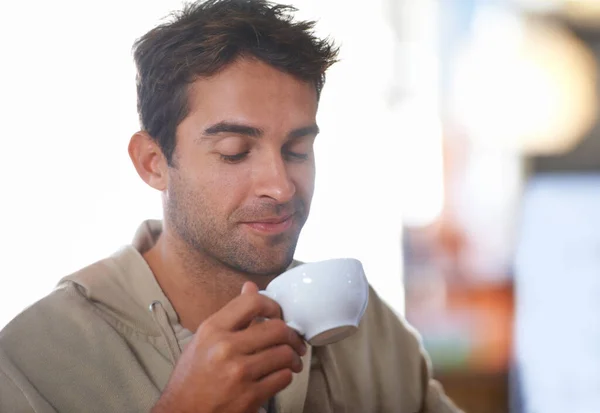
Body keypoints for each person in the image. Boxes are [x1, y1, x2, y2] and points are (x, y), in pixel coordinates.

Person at [0, 1, 462, 412]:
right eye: (236, 151)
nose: (281, 187)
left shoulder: (367, 328)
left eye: (297, 149)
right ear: (153, 163)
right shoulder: (34, 358)